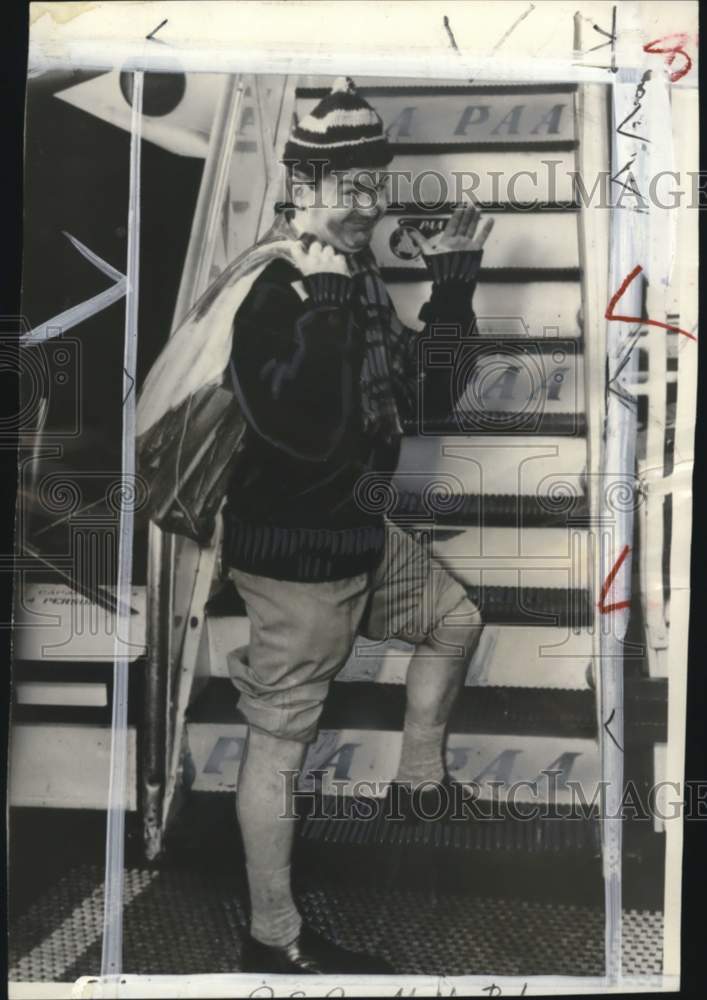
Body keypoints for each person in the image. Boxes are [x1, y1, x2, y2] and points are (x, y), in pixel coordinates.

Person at [220, 77, 494, 974]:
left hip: (359, 535)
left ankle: (418, 787)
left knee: (454, 618)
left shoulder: (356, 278)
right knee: (280, 744)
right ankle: (273, 938)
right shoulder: (274, 288)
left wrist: (451, 288)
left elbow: (424, 400)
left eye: (374, 184)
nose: (365, 204)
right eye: (345, 185)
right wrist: (328, 303)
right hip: (295, 556)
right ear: (300, 186)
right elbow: (309, 430)